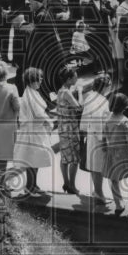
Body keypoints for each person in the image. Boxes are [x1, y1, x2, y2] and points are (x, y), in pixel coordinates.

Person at [12, 68, 53, 198]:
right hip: (32, 132)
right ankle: (29, 187)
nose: (41, 80)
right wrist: (49, 122)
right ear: (33, 80)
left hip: (36, 131)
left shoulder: (33, 92)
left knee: (36, 159)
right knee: (31, 159)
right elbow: (38, 114)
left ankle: (33, 185)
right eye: (39, 78)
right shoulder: (30, 94)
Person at [100, 92, 128, 215]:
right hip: (123, 153)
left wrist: (105, 148)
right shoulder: (125, 121)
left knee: (114, 179)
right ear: (124, 107)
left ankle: (118, 203)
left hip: (111, 151)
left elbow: (103, 138)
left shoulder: (107, 119)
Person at [80, 72, 113, 202]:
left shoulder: (90, 97)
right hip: (99, 137)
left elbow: (85, 117)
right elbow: (100, 123)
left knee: (94, 165)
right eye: (109, 85)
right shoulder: (102, 101)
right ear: (105, 86)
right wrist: (104, 140)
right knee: (98, 166)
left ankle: (96, 191)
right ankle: (99, 194)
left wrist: (83, 132)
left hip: (90, 135)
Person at [55, 64, 83, 194]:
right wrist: (81, 92)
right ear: (69, 79)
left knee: (64, 157)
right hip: (71, 128)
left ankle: (66, 183)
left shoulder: (60, 91)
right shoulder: (67, 92)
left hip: (62, 127)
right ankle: (72, 185)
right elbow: (79, 107)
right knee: (75, 159)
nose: (77, 78)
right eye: (75, 77)